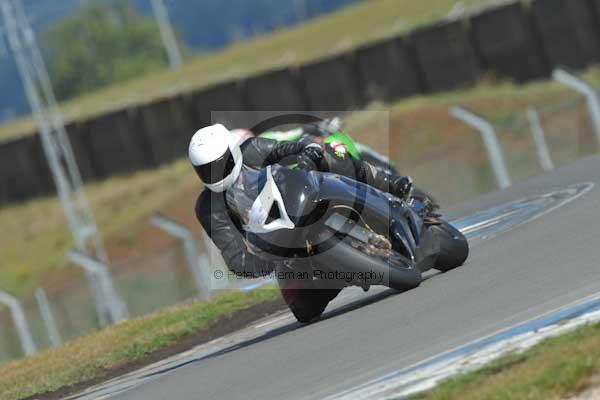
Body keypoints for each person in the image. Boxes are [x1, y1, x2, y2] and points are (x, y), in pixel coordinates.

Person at [191, 123, 414, 279]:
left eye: (220, 164)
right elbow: (234, 256)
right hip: (280, 249)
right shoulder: (208, 208)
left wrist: (307, 151)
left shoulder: (251, 150)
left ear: (233, 152)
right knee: (304, 310)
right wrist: (266, 264)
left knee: (332, 154)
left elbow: (286, 149)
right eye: (206, 170)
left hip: (299, 199)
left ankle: (389, 183)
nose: (215, 173)